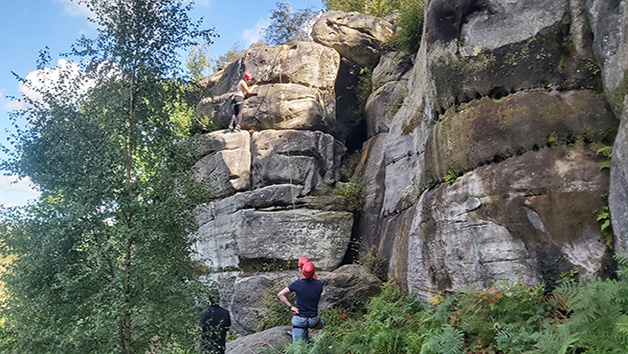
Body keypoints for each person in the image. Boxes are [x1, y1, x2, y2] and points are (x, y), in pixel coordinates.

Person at [277, 261, 324, 343]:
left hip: (300, 318)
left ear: (302, 272)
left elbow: (280, 295)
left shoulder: (297, 284)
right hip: (314, 320)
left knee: (299, 344)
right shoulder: (319, 284)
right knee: (322, 327)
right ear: (314, 272)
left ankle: (300, 336)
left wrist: (290, 307)